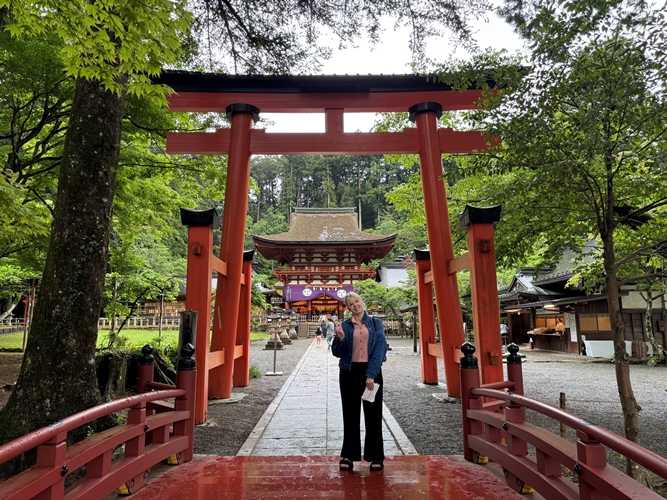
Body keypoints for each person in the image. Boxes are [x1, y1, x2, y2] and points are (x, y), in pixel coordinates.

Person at [331, 292, 387, 472]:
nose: (355, 305)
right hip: (349, 372)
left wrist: (371, 374)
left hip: (371, 372)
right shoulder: (345, 326)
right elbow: (337, 353)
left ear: (362, 301)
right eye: (351, 304)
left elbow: (380, 349)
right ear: (348, 308)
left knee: (373, 414)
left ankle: (375, 455)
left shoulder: (375, 323)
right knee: (350, 413)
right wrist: (340, 338)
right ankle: (349, 455)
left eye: (357, 301)